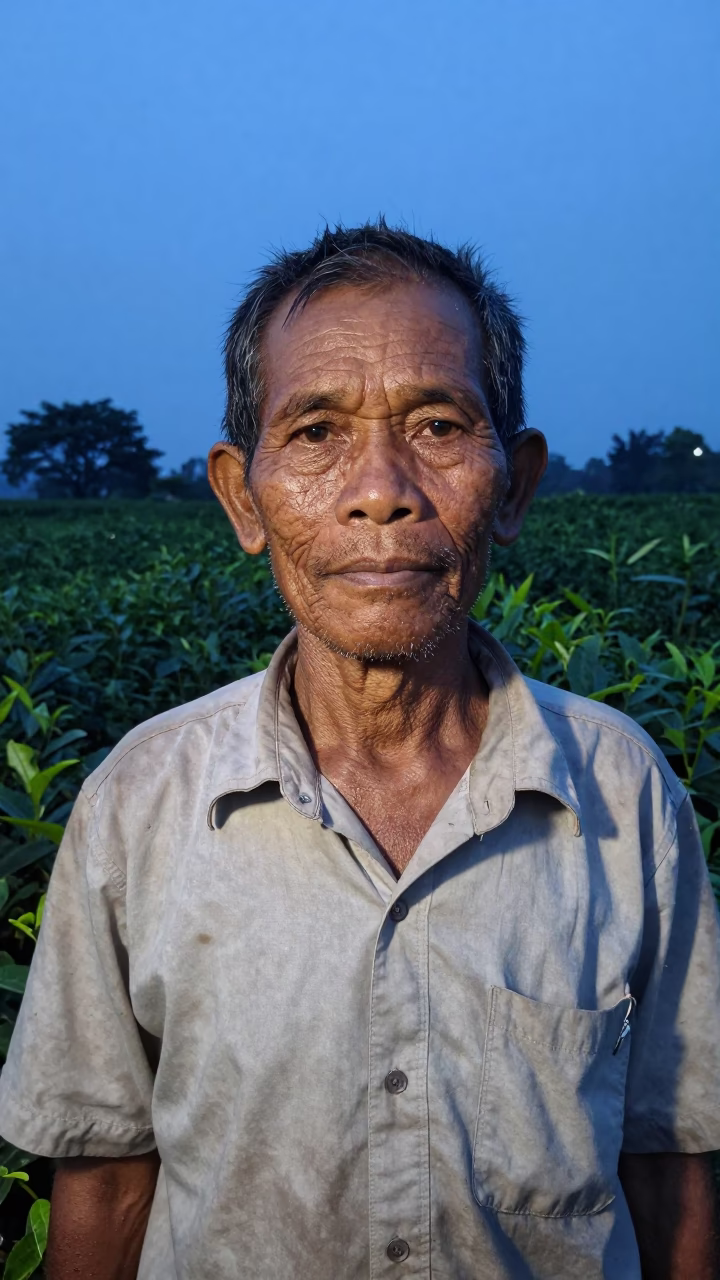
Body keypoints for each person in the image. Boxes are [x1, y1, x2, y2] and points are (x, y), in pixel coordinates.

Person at [0, 222, 718, 1280]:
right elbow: (105, 1180)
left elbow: (674, 1168)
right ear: (243, 497)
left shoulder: (622, 787)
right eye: (316, 431)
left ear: (514, 486)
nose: (380, 487)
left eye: (438, 423)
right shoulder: (140, 800)